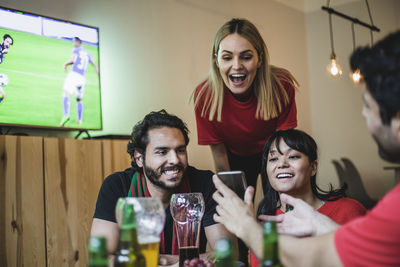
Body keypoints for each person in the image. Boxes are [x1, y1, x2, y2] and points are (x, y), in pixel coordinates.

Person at [212, 30, 400, 266]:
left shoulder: (384, 209)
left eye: (368, 106)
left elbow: (322, 256)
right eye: (272, 158)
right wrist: (318, 222)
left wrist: (247, 227)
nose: (363, 115)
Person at [193, 18, 298, 264]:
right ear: (216, 60)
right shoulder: (204, 96)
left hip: (273, 151)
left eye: (246, 56)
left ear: (259, 58)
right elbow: (219, 158)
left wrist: (283, 187)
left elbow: (284, 144)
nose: (236, 66)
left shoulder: (281, 85)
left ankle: (282, 257)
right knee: (238, 214)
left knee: (277, 206)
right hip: (233, 157)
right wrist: (234, 205)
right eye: (227, 57)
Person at [91, 110, 231, 266]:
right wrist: (178, 262)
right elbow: (101, 259)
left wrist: (160, 260)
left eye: (180, 150)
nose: (174, 160)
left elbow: (225, 255)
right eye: (162, 152)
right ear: (139, 158)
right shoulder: (117, 186)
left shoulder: (204, 183)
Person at [248, 129, 366, 267]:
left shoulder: (349, 210)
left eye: (293, 156)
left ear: (313, 167)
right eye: (273, 159)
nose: (281, 164)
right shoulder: (265, 227)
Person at [60, 37, 98, 126]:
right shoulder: (87, 53)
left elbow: (73, 61)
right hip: (82, 78)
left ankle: (66, 115)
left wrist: (65, 64)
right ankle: (79, 120)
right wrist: (98, 74)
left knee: (66, 93)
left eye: (74, 41)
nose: (73, 43)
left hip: (74, 75)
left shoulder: (76, 50)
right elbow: (94, 64)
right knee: (79, 98)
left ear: (78, 42)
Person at [0, 34, 13, 103]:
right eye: (7, 42)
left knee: (3, 95)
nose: (8, 44)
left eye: (10, 43)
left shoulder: (3, 51)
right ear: (3, 40)